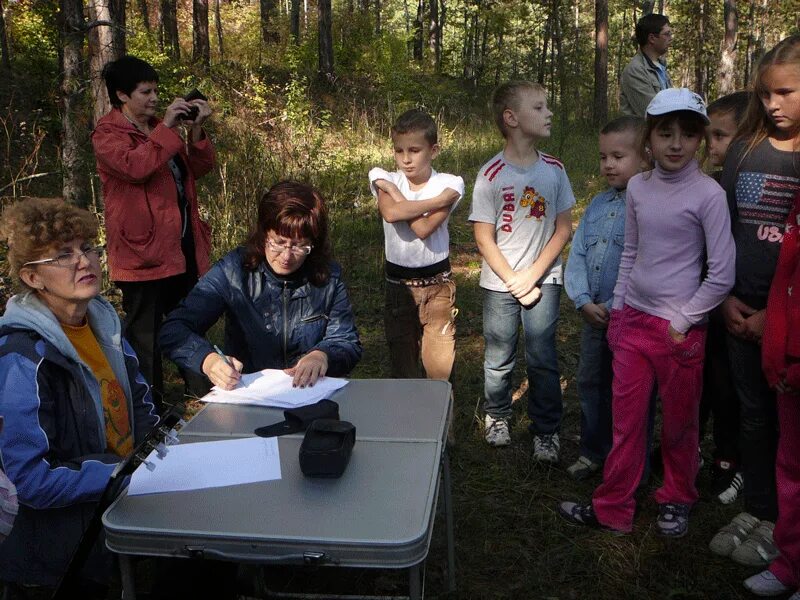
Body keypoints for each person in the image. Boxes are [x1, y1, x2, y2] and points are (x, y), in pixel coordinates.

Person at [558, 88, 735, 537]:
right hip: (632, 320)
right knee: (628, 420)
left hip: (680, 330)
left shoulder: (708, 195)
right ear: (649, 140)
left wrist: (683, 320)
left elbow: (721, 273)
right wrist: (619, 313)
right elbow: (632, 251)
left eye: (688, 134)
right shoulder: (638, 186)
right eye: (666, 133)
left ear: (699, 139)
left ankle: (677, 498)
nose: (676, 144)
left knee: (679, 423)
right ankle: (613, 504)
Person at [0, 198, 158, 595]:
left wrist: (158, 458)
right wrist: (120, 475)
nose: (83, 261)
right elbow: (30, 480)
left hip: (114, 522)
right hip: (56, 560)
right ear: (33, 278)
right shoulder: (22, 357)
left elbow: (139, 407)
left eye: (87, 247)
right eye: (62, 255)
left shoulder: (103, 324)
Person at [711, 35, 800, 572]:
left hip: (787, 320)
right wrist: (723, 295)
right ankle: (759, 510)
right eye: (766, 94)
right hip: (737, 309)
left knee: (790, 424)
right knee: (752, 415)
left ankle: (786, 525)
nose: (772, 105)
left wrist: (776, 315)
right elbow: (721, 229)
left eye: (786, 93)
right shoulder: (744, 151)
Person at [92, 55, 216, 408]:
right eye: (145, 92)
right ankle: (150, 410)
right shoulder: (108, 134)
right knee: (144, 337)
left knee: (188, 324)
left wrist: (194, 131)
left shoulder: (159, 129)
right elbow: (137, 167)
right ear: (122, 96)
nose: (154, 98)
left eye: (156, 91)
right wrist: (168, 128)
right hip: (141, 254)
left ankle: (204, 397)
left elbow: (200, 168)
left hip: (181, 248)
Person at [159, 181, 362, 390]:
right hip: (248, 393)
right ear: (264, 233)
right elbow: (174, 330)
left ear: (314, 244)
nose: (286, 256)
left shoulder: (327, 276)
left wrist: (322, 355)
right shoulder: (234, 271)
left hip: (310, 395)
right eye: (278, 242)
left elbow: (346, 341)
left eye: (300, 246)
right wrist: (207, 360)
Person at [468, 81, 575, 459]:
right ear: (511, 118)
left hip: (544, 281)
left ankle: (546, 430)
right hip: (500, 285)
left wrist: (532, 276)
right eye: (539, 107)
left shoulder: (555, 170)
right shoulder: (491, 174)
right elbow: (483, 238)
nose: (549, 114)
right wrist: (514, 281)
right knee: (498, 355)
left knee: (543, 357)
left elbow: (564, 228)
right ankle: (498, 415)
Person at [564, 115, 647, 480]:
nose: (609, 164)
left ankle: (629, 462)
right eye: (603, 157)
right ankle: (593, 449)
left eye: (618, 156)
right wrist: (582, 299)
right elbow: (578, 252)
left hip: (630, 320)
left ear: (644, 157)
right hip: (594, 317)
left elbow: (646, 262)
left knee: (631, 392)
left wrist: (617, 306)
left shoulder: (648, 205)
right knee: (591, 383)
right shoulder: (597, 204)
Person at [367, 109, 464, 380]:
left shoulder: (450, 182)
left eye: (414, 150)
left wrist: (399, 200)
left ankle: (442, 420)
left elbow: (423, 229)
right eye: (399, 151)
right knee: (403, 369)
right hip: (398, 288)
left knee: (439, 370)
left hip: (438, 288)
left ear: (433, 150)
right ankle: (407, 422)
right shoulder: (386, 177)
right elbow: (391, 214)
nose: (406, 159)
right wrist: (432, 201)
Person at [742, 188, 800, 598]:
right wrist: (774, 351)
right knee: (791, 467)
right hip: (788, 371)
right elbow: (784, 283)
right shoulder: (797, 207)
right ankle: (790, 563)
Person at [699, 90, 750, 505]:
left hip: (743, 305)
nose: (710, 145)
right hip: (707, 305)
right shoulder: (708, 186)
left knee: (734, 387)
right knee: (709, 381)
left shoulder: (754, 192)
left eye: (720, 136)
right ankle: (701, 450)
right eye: (709, 135)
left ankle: (732, 459)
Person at [620, 13, 673, 118]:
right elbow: (653, 112)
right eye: (667, 34)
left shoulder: (660, 66)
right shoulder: (635, 70)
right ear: (652, 38)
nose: (671, 38)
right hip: (641, 133)